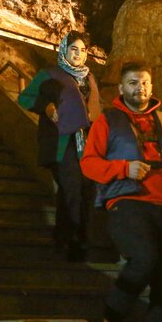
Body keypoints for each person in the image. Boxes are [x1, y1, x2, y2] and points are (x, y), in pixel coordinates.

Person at [80, 61, 162, 322]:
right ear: (121, 88)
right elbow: (88, 164)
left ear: (151, 87)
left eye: (143, 83)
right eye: (132, 83)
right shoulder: (108, 121)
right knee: (144, 258)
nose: (138, 88)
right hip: (128, 201)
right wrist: (122, 168)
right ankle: (111, 314)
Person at [18, 31, 101, 261]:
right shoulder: (50, 75)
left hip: (87, 144)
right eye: (74, 49)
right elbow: (25, 98)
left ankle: (66, 240)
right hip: (62, 143)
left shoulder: (89, 78)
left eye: (83, 50)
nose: (79, 54)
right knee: (72, 187)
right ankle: (75, 242)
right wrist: (46, 106)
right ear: (64, 49)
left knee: (84, 191)